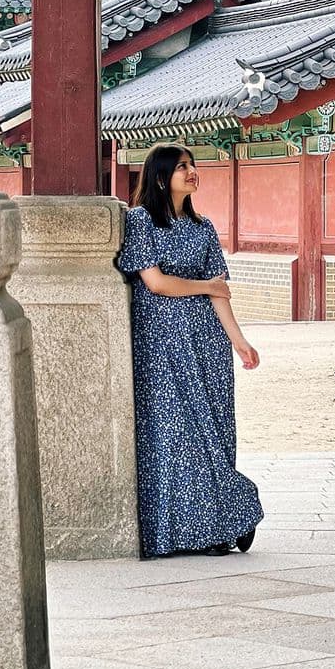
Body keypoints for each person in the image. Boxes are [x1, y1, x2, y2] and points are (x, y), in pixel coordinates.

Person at [117, 143, 264, 558]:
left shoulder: (204, 227)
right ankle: (202, 526)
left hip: (205, 343)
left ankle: (221, 521)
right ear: (162, 177)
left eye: (192, 165)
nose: (192, 171)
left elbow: (222, 294)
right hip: (161, 345)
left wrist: (239, 341)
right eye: (182, 167)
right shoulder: (141, 221)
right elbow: (157, 284)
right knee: (174, 435)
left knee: (213, 431)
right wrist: (203, 286)